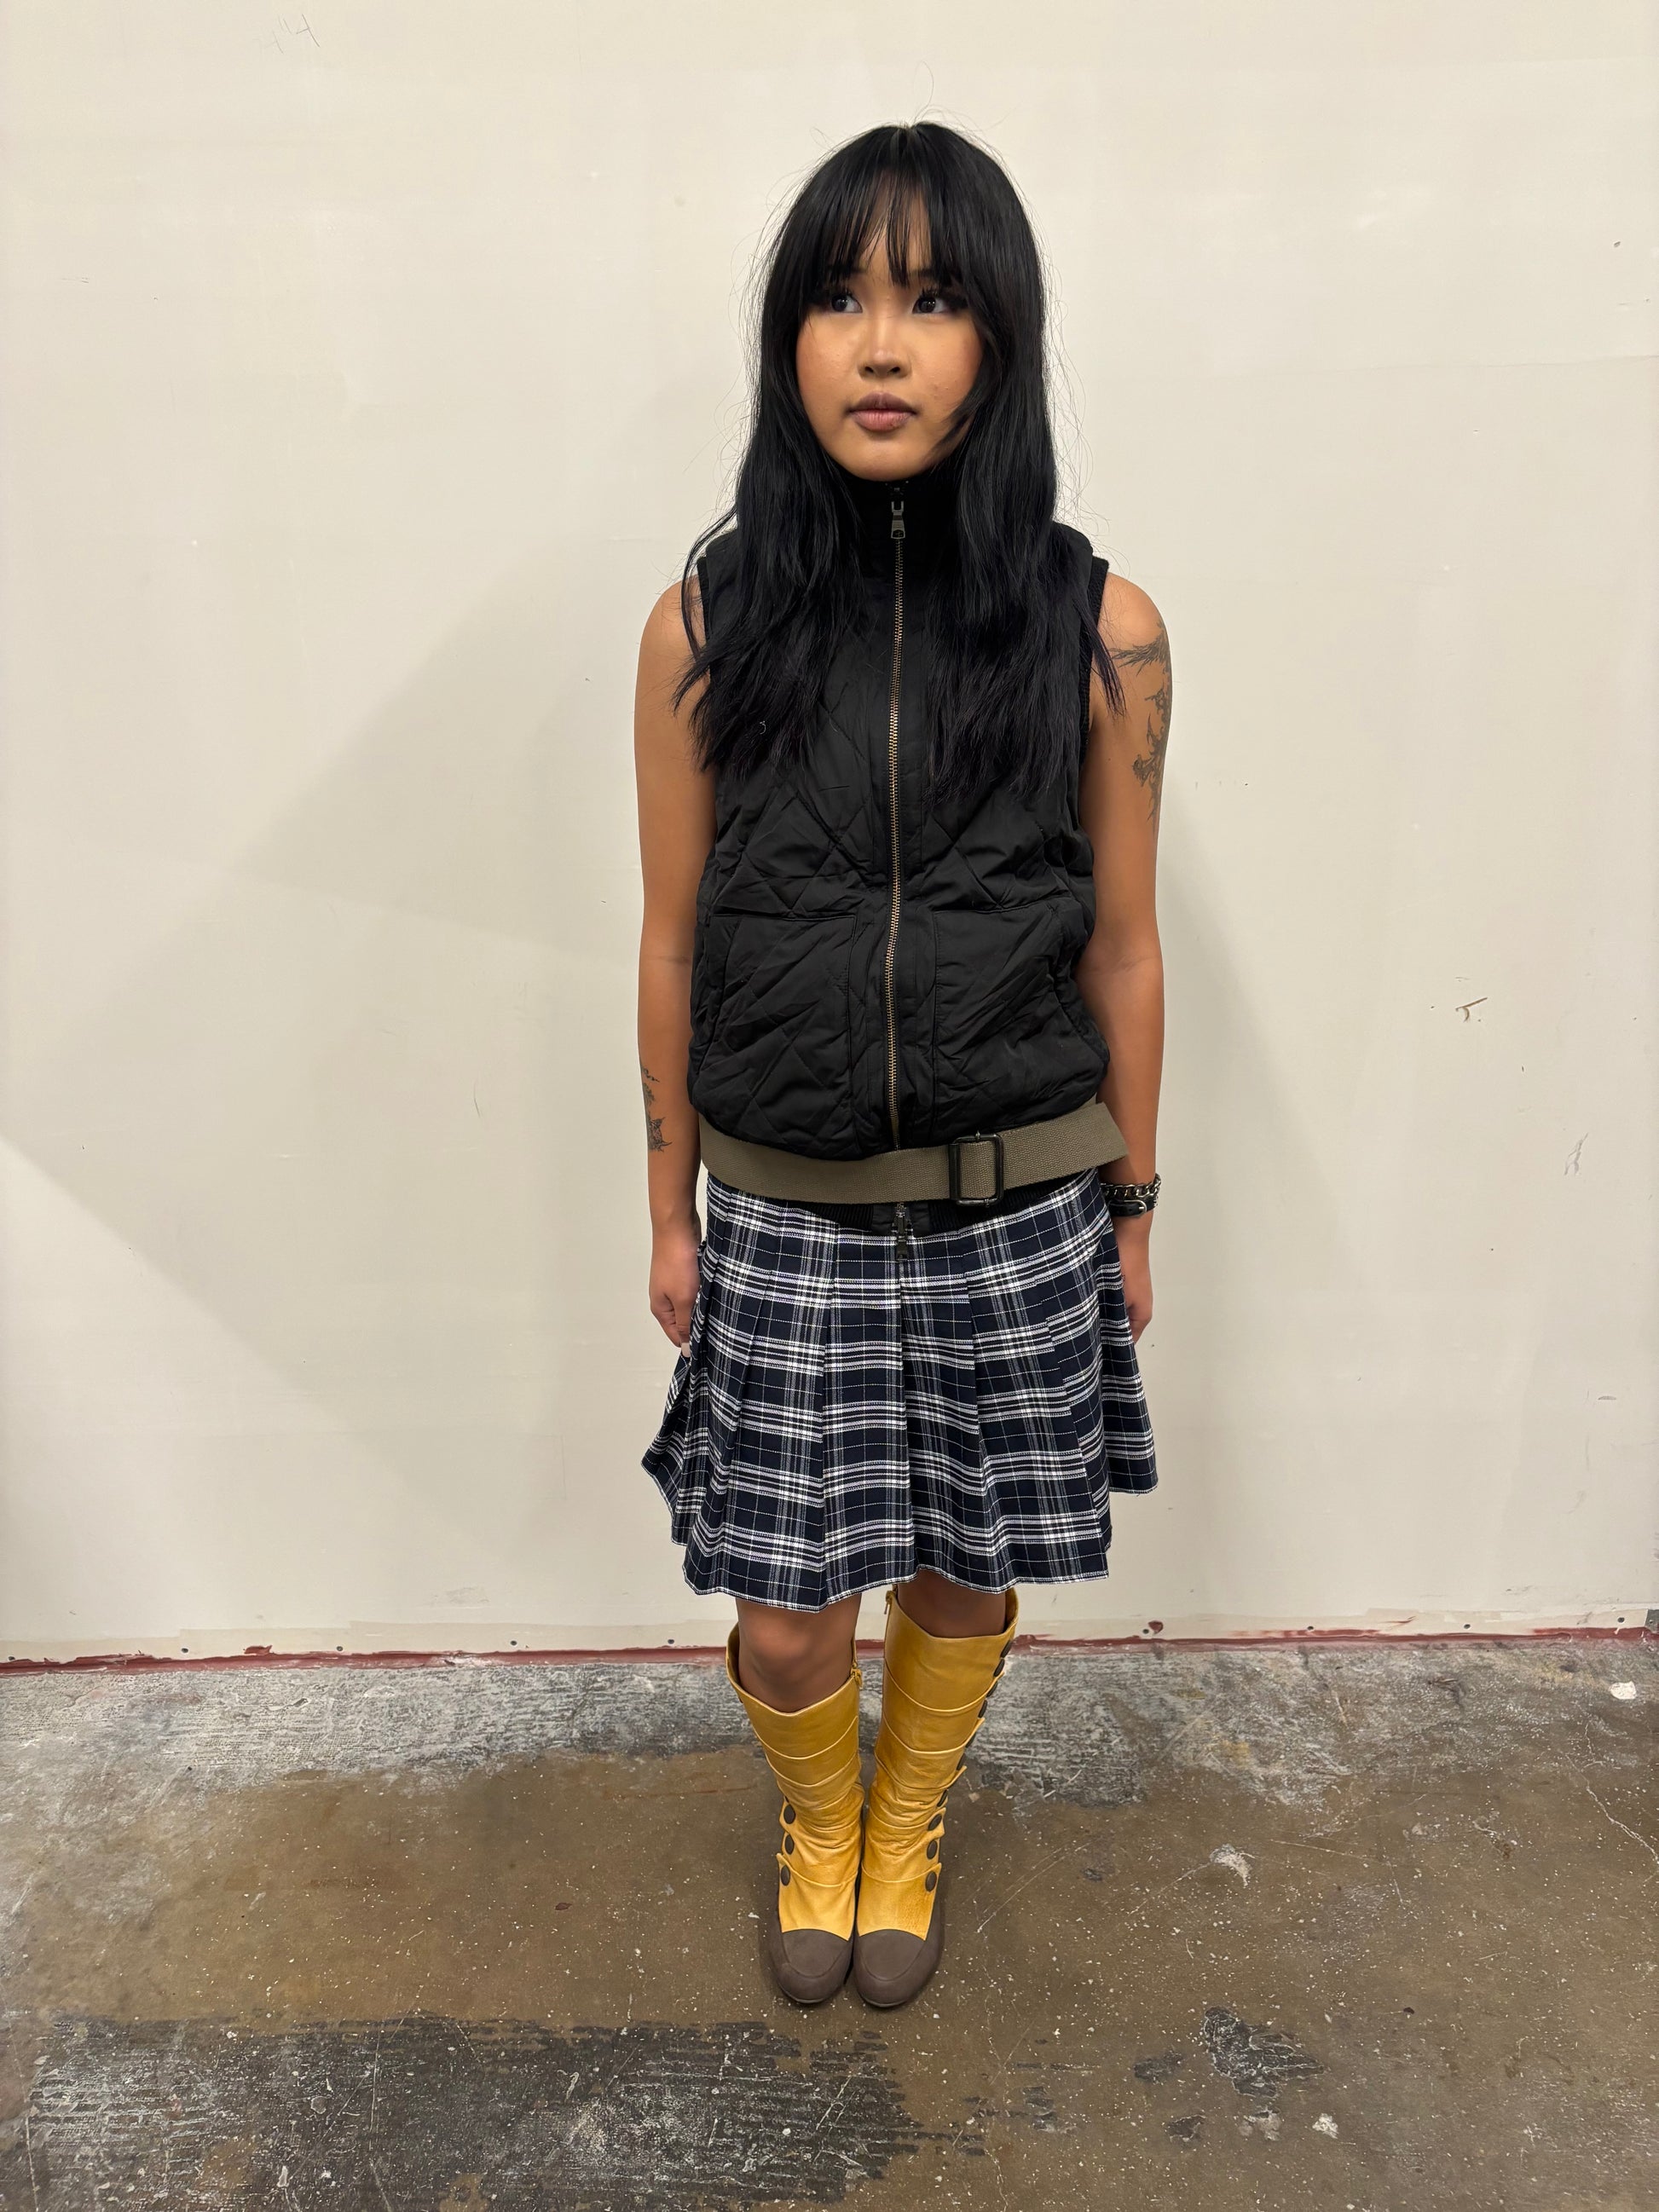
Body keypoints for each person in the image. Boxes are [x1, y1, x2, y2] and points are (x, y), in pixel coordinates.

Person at [632, 121, 1168, 2011]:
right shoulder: (704, 629)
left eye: (932, 300)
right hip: (788, 1210)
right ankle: (819, 1810)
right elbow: (673, 939)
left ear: (996, 341)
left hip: (1018, 1201)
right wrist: (669, 1208)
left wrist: (1133, 1205)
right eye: (841, 298)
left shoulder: (1099, 630)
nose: (880, 344)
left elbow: (1121, 946)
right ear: (786, 338)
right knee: (790, 1624)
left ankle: (904, 1815)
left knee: (959, 1574)